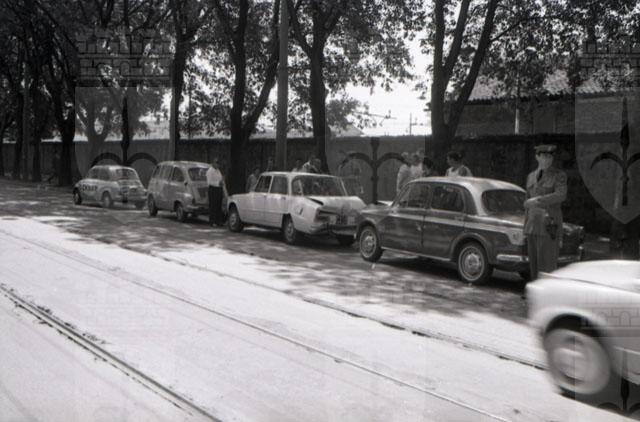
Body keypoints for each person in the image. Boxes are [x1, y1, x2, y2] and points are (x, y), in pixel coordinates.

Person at [524, 144, 567, 279]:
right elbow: (527, 203)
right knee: (534, 266)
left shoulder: (559, 175)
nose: (547, 160)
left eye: (550, 157)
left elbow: (561, 195)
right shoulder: (531, 176)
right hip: (532, 226)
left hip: (549, 227)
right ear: (537, 157)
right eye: (544, 156)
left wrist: (537, 201)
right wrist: (525, 228)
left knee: (547, 267)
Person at [206, 158, 225, 227]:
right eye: (216, 163)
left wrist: (222, 182)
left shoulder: (218, 171)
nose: (217, 165)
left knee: (218, 205)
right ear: (213, 163)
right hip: (213, 189)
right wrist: (218, 183)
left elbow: (220, 179)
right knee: (213, 206)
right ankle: (212, 221)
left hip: (219, 189)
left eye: (218, 164)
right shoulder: (210, 171)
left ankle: (218, 221)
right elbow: (209, 182)